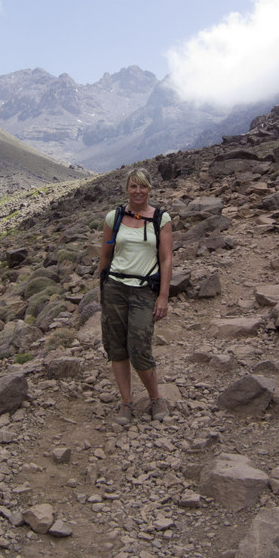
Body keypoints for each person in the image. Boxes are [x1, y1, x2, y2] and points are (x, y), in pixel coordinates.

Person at [98, 167, 173, 425]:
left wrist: (163, 296)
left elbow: (166, 258)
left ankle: (155, 398)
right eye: (133, 186)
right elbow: (105, 254)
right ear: (127, 189)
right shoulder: (114, 218)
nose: (138, 191)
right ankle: (126, 403)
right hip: (115, 288)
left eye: (142, 186)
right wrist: (102, 287)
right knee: (116, 348)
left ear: (149, 188)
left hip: (143, 290)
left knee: (140, 347)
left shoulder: (161, 219)